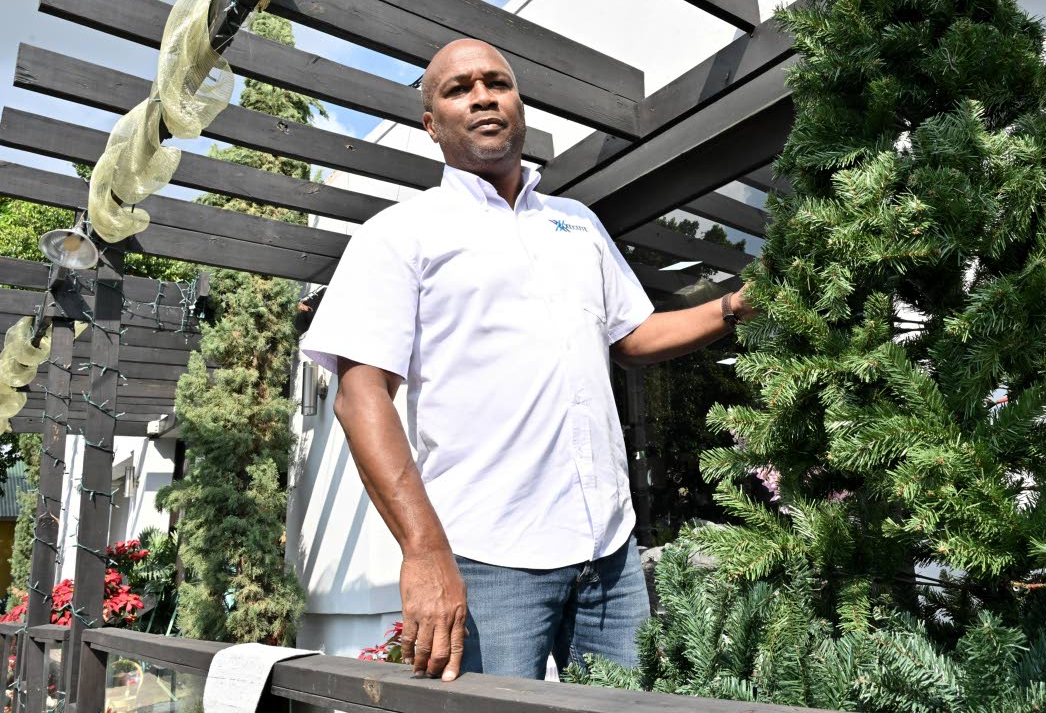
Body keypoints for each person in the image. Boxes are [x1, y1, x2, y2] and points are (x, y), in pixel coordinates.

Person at [303, 39, 756, 683]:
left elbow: (631, 337)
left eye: (498, 82)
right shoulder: (400, 234)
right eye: (458, 89)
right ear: (431, 125)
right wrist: (424, 552)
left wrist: (733, 306)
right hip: (486, 559)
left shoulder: (576, 222)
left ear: (519, 105)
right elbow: (360, 394)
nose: (483, 96)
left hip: (610, 552)